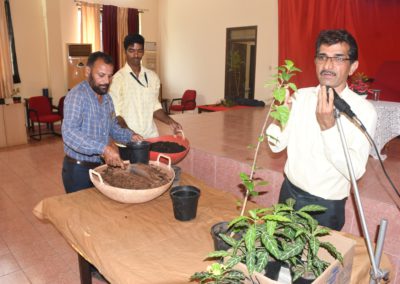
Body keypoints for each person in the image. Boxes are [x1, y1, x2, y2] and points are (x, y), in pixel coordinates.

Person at [266, 29, 377, 230]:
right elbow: (274, 147)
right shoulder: (301, 96)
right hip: (288, 193)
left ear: (353, 67)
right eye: (322, 57)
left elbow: (355, 172)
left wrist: (329, 129)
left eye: (338, 58)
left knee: (316, 262)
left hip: (325, 207)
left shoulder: (363, 111)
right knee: (281, 257)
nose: (327, 65)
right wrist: (279, 118)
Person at [62, 51, 141, 194]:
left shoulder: (107, 99)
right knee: (82, 214)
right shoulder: (77, 96)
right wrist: (103, 148)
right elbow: (69, 133)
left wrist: (131, 136)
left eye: (110, 76)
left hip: (99, 166)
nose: (106, 81)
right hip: (78, 170)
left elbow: (112, 128)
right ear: (87, 72)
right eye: (101, 75)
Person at [109, 33, 182, 139]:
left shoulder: (153, 77)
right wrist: (131, 134)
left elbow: (155, 107)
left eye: (139, 51)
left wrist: (170, 121)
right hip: (127, 139)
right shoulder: (117, 79)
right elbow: (116, 114)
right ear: (125, 52)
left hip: (150, 136)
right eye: (131, 50)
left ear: (143, 52)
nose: (136, 55)